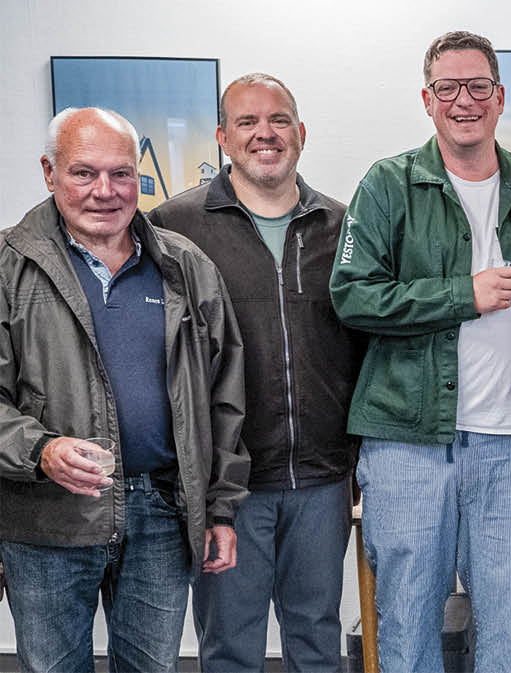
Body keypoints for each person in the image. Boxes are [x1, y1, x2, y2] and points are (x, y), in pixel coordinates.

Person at [329, 31, 511, 671]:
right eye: (447, 88)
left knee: (510, 628)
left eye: (476, 87)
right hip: (406, 443)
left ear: (499, 97)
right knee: (407, 624)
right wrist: (459, 296)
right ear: (427, 99)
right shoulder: (387, 184)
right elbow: (352, 297)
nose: (462, 101)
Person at [0, 107, 248, 671]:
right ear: (49, 172)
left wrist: (222, 510)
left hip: (163, 514)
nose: (105, 192)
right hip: (46, 521)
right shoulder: (7, 266)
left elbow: (225, 399)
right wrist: (42, 450)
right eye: (84, 173)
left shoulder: (186, 266)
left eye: (120, 174)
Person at [151, 72, 362, 672]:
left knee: (317, 638)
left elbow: (363, 345)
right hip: (226, 487)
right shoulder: (174, 228)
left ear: (301, 133)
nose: (264, 134)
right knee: (229, 646)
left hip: (322, 480)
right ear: (222, 136)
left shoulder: (343, 227)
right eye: (247, 122)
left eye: (278, 121)